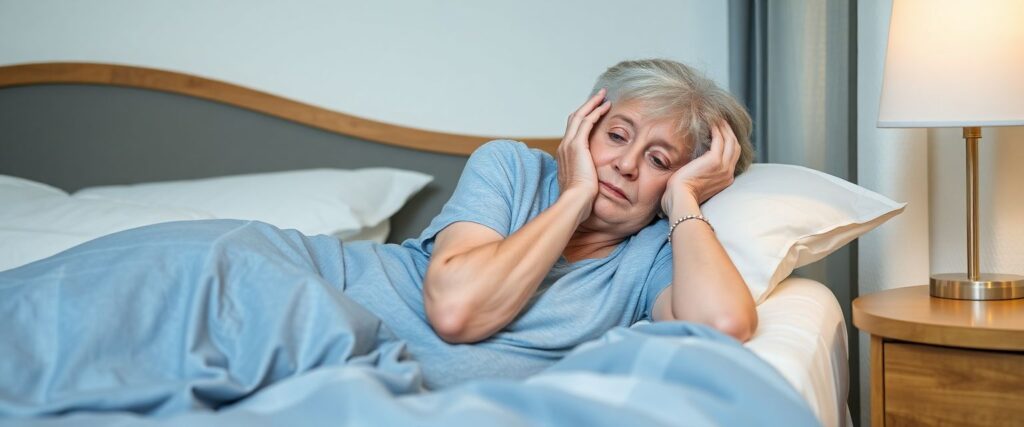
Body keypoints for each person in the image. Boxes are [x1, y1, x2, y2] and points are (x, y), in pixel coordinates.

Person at [0, 59, 757, 408]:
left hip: (351, 350)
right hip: (277, 280)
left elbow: (722, 324)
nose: (625, 165)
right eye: (615, 135)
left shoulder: (654, 254)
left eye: (658, 159)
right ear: (579, 128)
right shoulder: (513, 170)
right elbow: (458, 306)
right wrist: (575, 192)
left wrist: (686, 201)